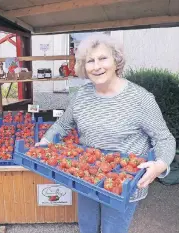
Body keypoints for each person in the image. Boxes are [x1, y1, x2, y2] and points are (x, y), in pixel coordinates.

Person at [38, 34, 176, 233]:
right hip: (87, 175)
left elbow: (164, 138)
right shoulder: (81, 96)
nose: (96, 66)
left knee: (113, 230)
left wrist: (160, 165)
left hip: (124, 181)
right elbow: (62, 125)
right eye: (90, 61)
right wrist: (44, 141)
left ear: (116, 60)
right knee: (87, 227)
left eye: (103, 58)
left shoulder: (140, 99)